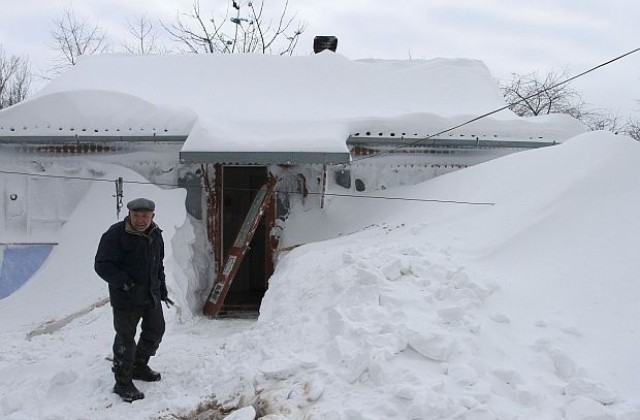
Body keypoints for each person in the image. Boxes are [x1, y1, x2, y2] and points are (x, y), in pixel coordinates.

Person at [94, 197, 173, 402]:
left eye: (145, 216)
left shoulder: (156, 234)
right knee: (125, 339)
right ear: (128, 214)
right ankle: (122, 382)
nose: (140, 220)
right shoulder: (115, 235)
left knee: (156, 330)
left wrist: (162, 289)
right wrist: (125, 283)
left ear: (152, 216)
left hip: (151, 294)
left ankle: (139, 365)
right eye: (136, 215)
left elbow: (158, 265)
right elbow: (102, 265)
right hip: (126, 298)